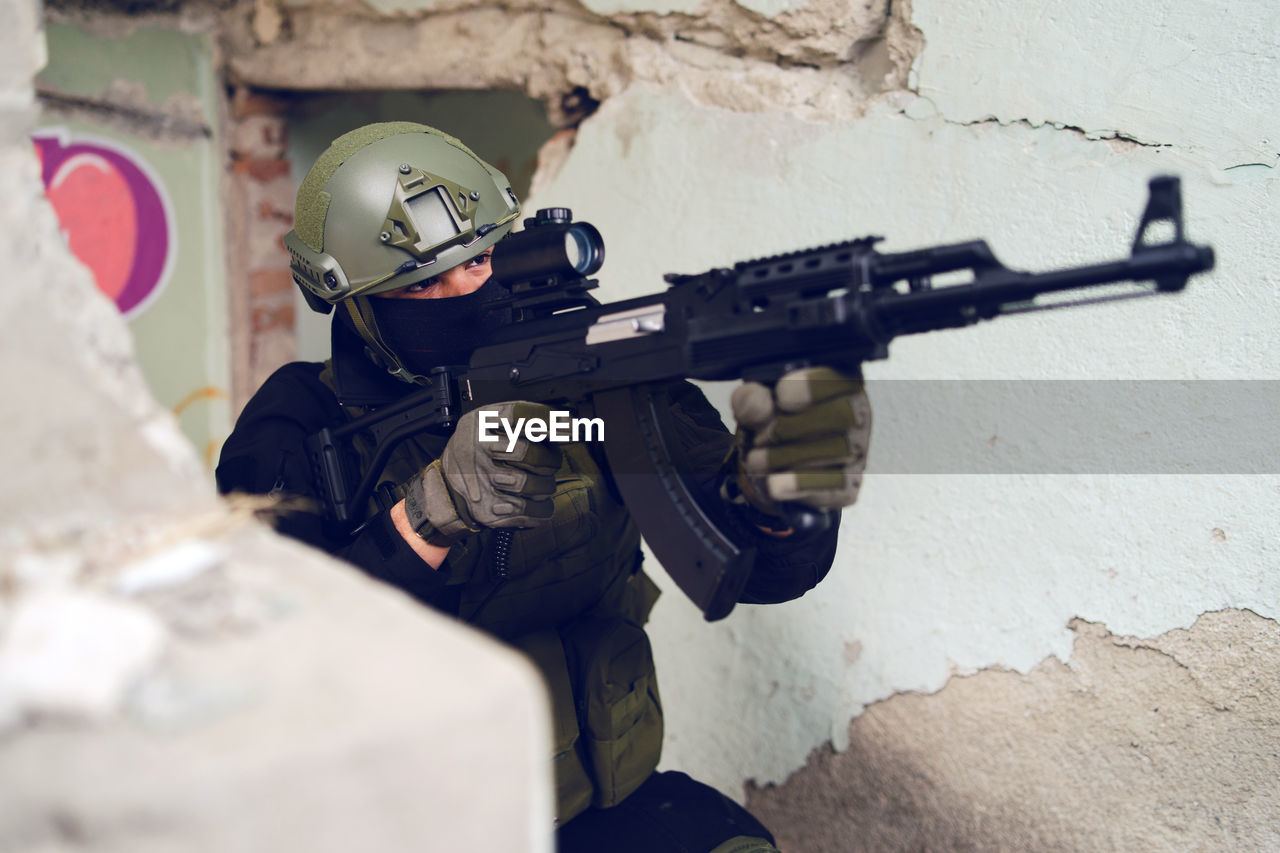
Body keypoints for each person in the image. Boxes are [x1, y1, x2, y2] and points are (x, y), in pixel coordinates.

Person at [216, 122, 871, 851]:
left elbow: (762, 569)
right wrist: (425, 517)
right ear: (358, 303)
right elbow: (266, 678)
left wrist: (786, 499)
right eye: (426, 281)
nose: (469, 288)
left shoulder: (597, 372)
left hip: (600, 801)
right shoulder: (296, 426)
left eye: (483, 258)